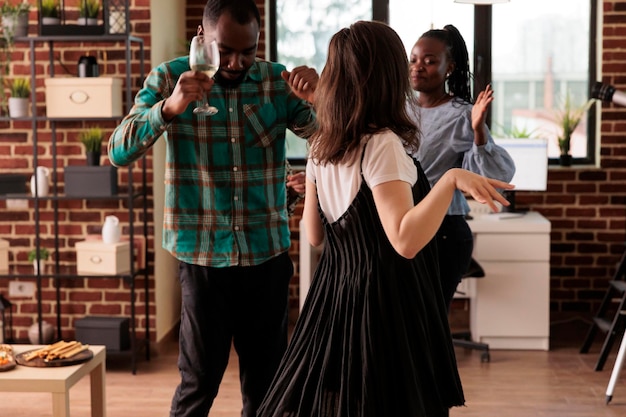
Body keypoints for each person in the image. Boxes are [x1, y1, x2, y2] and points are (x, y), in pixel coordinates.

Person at [257, 20, 513, 417]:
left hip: (336, 296)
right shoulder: (382, 145)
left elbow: (312, 235)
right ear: (387, 76)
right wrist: (452, 179)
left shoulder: (321, 143)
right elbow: (405, 241)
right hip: (387, 301)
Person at [107, 1, 317, 416]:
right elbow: (117, 151)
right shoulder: (169, 77)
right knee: (199, 380)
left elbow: (328, 137)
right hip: (202, 258)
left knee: (268, 382)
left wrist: (321, 95)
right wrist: (168, 108)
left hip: (266, 254)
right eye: (226, 50)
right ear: (202, 39)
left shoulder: (276, 82)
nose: (237, 62)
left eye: (248, 51)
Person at [408, 24, 515, 310]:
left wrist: (478, 130)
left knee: (429, 322)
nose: (418, 67)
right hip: (403, 223)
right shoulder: (398, 109)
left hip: (443, 230)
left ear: (449, 68)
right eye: (414, 59)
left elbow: (493, 176)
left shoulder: (463, 115)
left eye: (430, 61)